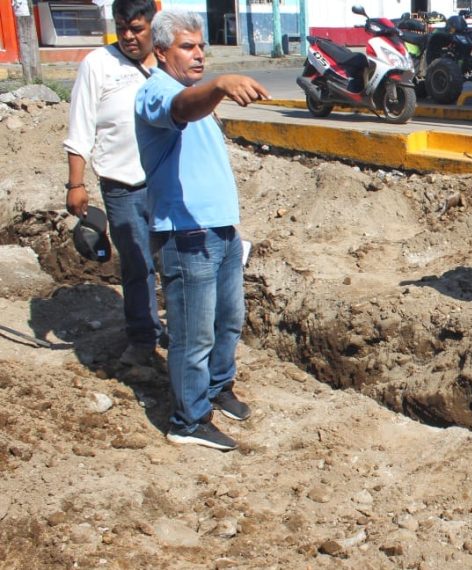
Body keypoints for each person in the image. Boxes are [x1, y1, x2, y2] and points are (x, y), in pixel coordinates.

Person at [135, 9, 270, 451]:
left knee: (227, 320)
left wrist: (210, 89)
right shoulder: (159, 91)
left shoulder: (194, 91)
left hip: (221, 231)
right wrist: (217, 85)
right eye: (186, 47)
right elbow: (179, 110)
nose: (198, 55)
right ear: (160, 51)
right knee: (194, 335)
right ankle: (188, 420)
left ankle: (217, 388)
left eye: (200, 46)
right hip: (186, 235)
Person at [63, 0, 163, 367]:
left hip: (166, 183)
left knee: (174, 261)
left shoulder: (169, 62)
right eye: (121, 27)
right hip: (122, 184)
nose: (127, 36)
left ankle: (174, 330)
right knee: (137, 263)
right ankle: (141, 336)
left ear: (153, 24)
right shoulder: (98, 65)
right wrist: (76, 184)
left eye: (136, 28)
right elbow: (80, 128)